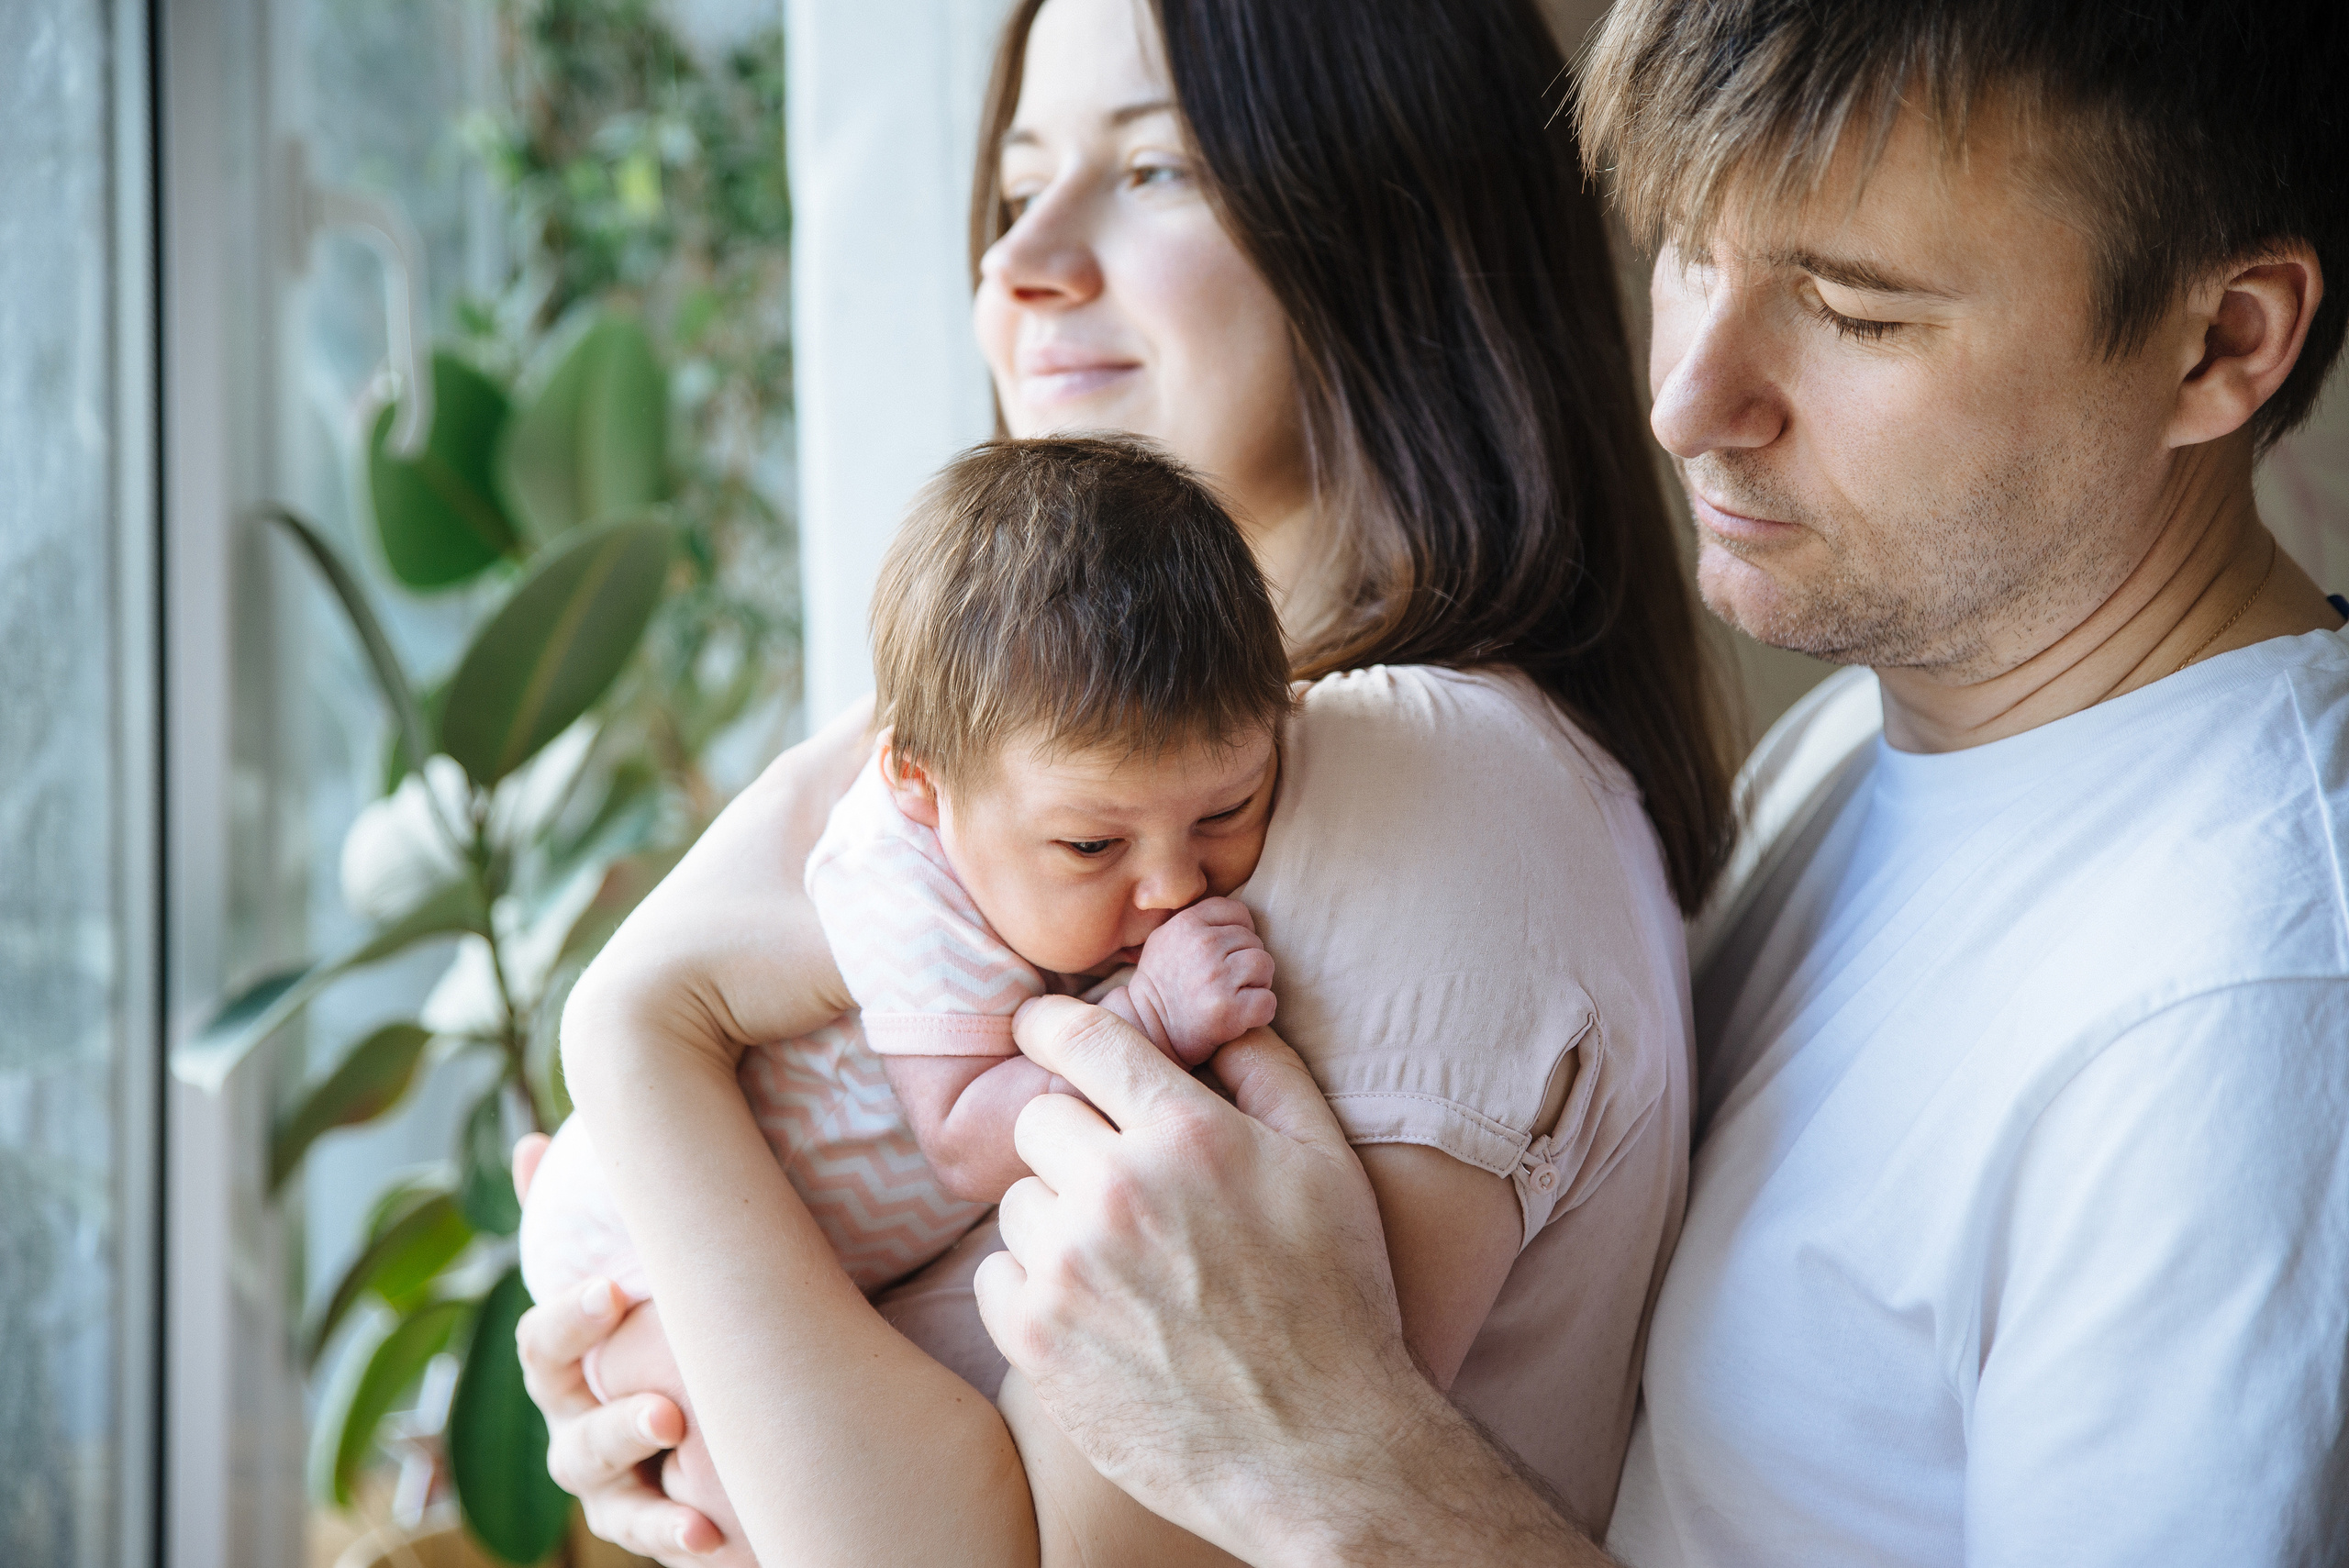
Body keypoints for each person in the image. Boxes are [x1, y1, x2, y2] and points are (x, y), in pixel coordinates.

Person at [539, 1, 2349, 1564]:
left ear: (2222, 344)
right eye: (1689, 256)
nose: (1690, 397)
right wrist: (696, 1359)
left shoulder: (2237, 1000)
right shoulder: (1856, 761)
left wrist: (1349, 1472)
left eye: (1852, 312)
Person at [520, 0, 1734, 1562]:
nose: (1019, 258)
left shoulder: (1412, 786)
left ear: (1397, 214)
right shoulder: (1145, 768)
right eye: (1018, 175)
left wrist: (635, 1033)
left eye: (1156, 170)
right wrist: (677, 1350)